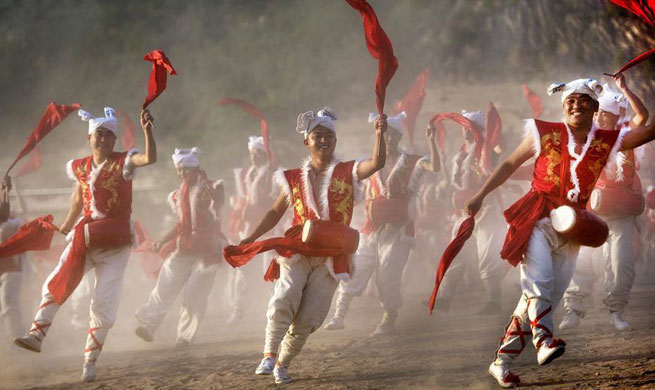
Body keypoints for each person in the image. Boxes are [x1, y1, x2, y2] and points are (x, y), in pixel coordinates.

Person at [462, 77, 655, 388]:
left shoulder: (606, 141)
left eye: (583, 101)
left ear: (595, 108)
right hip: (537, 220)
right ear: (563, 106)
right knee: (539, 283)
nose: (576, 105)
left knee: (540, 297)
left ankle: (501, 361)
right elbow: (509, 164)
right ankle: (544, 340)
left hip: (572, 228)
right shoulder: (543, 133)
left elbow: (648, 130)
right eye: (570, 101)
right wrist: (480, 195)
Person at [239, 107, 386, 384]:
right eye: (317, 135)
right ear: (306, 141)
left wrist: (380, 134)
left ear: (335, 141)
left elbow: (377, 163)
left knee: (310, 318)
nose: (323, 140)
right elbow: (274, 213)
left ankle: (283, 362)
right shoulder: (292, 177)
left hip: (332, 255)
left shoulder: (348, 171)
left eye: (329, 135)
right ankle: (269, 354)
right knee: (285, 296)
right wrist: (251, 237)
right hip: (298, 250)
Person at [13, 107, 157, 382]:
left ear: (114, 141)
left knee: (103, 304)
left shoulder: (123, 162)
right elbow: (78, 200)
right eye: (98, 134)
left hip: (116, 246)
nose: (103, 139)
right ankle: (36, 335)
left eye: (108, 136)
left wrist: (148, 130)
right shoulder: (79, 166)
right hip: (85, 237)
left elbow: (150, 158)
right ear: (89, 137)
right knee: (56, 281)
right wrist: (65, 226)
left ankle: (89, 362)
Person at [324, 112, 439, 335]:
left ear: (398, 137)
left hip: (397, 232)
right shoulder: (369, 164)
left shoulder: (411, 162)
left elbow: (434, 167)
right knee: (355, 269)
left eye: (392, 135)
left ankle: (388, 319)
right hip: (370, 230)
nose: (388, 139)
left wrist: (431, 141)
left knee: (388, 276)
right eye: (384, 135)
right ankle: (339, 315)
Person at [560, 75, 648, 332]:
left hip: (620, 212)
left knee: (621, 264)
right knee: (581, 261)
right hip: (590, 212)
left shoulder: (626, 137)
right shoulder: (582, 138)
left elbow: (643, 116)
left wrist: (624, 88)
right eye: (597, 113)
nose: (599, 118)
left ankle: (617, 310)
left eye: (605, 114)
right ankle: (573, 310)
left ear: (614, 116)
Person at [134, 147, 225, 346]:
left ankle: (184, 338)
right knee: (165, 285)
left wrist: (208, 191)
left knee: (195, 295)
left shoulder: (213, 186)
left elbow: (219, 203)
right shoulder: (177, 195)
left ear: (195, 168)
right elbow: (181, 224)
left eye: (185, 169)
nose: (181, 173)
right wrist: (162, 241)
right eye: (179, 169)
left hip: (208, 249)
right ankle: (149, 325)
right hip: (183, 246)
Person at [437, 110, 510, 314]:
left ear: (477, 129)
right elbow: (456, 184)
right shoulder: (461, 154)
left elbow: (498, 151)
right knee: (456, 253)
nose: (465, 131)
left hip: (487, 210)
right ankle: (444, 298)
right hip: (463, 213)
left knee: (487, 257)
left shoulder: (487, 150)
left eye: (469, 128)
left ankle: (493, 301)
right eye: (463, 127)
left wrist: (494, 141)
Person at [226, 136, 277, 324]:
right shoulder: (247, 174)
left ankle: (275, 309)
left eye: (258, 152)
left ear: (266, 154)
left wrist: (271, 175)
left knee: (269, 269)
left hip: (269, 227)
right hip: (248, 227)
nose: (255, 156)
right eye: (252, 153)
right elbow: (243, 199)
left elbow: (276, 200)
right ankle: (238, 310)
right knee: (243, 270)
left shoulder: (274, 173)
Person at [0, 175, 27, 342]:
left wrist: (8, 191)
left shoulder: (12, 220)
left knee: (9, 305)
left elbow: (19, 210)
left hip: (12, 269)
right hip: (7, 268)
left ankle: (15, 338)